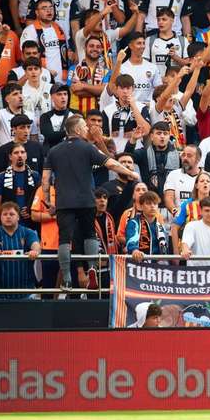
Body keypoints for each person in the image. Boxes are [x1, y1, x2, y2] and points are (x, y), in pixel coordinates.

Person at [41, 115, 138, 290]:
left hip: (63, 202)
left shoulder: (54, 151)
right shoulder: (88, 148)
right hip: (86, 200)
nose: (87, 128)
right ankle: (92, 267)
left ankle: (67, 278)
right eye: (85, 126)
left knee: (64, 239)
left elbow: (45, 178)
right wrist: (130, 173)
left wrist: (48, 202)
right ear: (77, 130)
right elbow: (111, 165)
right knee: (89, 234)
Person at [0, 202, 41, 300]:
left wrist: (35, 251)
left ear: (18, 217)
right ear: (0, 217)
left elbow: (36, 245)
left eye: (12, 214)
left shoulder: (28, 232)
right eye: (5, 214)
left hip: (26, 294)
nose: (8, 217)